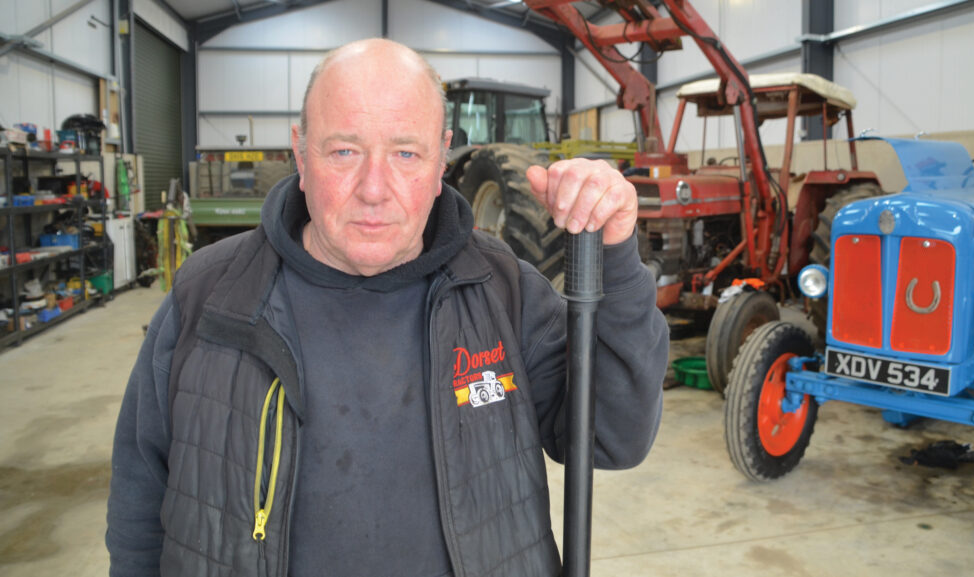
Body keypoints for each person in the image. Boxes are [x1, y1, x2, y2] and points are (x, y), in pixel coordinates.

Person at [106, 38, 668, 577]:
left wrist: (615, 255)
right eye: (344, 151)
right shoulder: (210, 296)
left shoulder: (503, 291)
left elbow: (612, 437)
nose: (374, 189)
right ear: (301, 155)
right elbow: (139, 507)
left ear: (441, 160)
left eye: (405, 153)